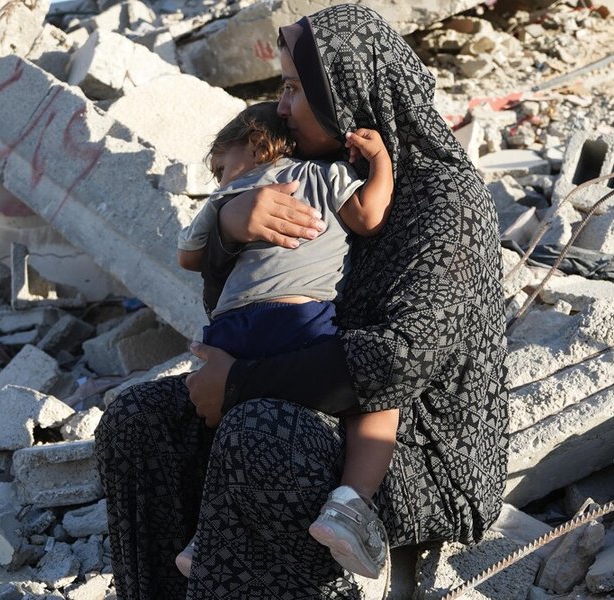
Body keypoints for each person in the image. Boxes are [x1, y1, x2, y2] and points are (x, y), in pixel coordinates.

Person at [95, 4, 509, 598]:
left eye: (293, 88)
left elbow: (398, 361)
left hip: (409, 449)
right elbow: (236, 305)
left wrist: (238, 385)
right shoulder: (307, 174)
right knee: (138, 421)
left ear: (343, 90)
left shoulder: (444, 200)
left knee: (260, 431)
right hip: (310, 393)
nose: (281, 105)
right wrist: (230, 230)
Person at [174, 102, 399, 579]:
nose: (218, 179)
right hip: (300, 317)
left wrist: (228, 219)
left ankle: (206, 537)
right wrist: (381, 162)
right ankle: (350, 506)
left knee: (228, 428)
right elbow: (371, 217)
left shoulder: (225, 199)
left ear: (255, 145)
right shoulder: (325, 176)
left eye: (220, 166)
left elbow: (187, 258)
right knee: (377, 397)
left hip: (229, 331)